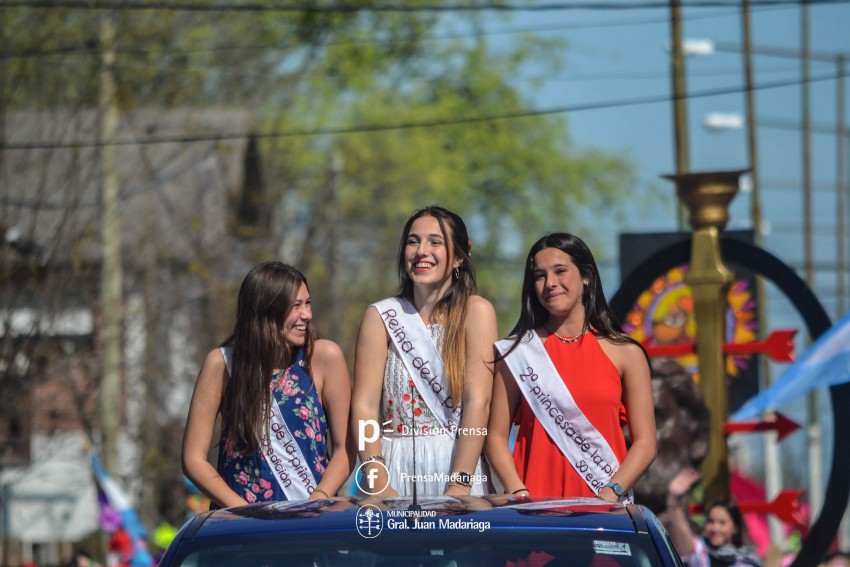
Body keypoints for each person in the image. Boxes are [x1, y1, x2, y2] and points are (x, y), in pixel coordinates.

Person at [485, 232, 656, 501]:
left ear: (586, 276)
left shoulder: (626, 353)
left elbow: (646, 444)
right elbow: (494, 438)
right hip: (534, 510)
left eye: (560, 271)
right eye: (540, 276)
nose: (550, 283)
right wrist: (518, 491)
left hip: (604, 508)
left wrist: (612, 492)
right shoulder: (518, 353)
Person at [351, 205, 498, 497]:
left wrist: (460, 483)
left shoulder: (476, 312)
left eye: (435, 242)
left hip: (457, 464)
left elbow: (477, 402)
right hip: (392, 467)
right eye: (413, 241)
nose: (421, 251)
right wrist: (376, 476)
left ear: (458, 257)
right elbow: (364, 407)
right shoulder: (381, 316)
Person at [182, 262, 355, 508]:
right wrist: (242, 511)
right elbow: (193, 458)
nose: (307, 314)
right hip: (242, 525)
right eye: (296, 306)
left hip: (312, 519)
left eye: (308, 303)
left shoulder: (324, 357)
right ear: (266, 310)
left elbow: (346, 448)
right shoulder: (222, 364)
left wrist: (319, 498)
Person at [666, 467, 762, 567]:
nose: (715, 528)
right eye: (711, 521)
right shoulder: (701, 552)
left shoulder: (747, 561)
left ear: (735, 528)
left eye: (722, 523)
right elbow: (685, 541)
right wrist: (673, 499)